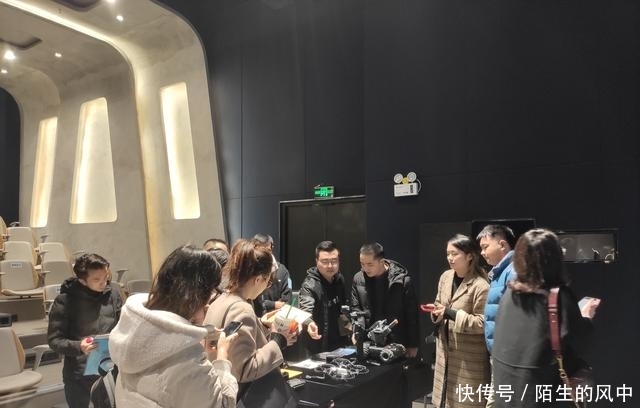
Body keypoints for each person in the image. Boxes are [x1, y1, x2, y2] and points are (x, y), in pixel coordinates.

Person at [108, 245, 239, 407]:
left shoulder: (134, 330)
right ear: (197, 298)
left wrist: (203, 333)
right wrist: (222, 357)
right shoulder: (188, 362)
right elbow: (223, 404)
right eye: (210, 296)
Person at [492, 229, 599, 408]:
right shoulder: (558, 297)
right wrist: (586, 316)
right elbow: (582, 343)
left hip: (506, 396)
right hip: (539, 397)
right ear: (555, 259)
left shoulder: (510, 293)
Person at [203, 239, 297, 408]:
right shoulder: (242, 308)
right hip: (241, 396)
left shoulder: (221, 300)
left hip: (214, 389)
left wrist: (262, 325)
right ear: (258, 279)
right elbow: (246, 369)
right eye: (267, 281)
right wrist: (278, 341)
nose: (267, 286)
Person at [47, 253, 123, 408]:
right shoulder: (65, 301)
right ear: (82, 280)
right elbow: (54, 340)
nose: (103, 282)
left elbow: (122, 326)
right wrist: (79, 346)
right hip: (79, 373)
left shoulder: (113, 294)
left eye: (106, 277)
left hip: (109, 367)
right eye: (97, 279)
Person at [428, 234, 490, 408]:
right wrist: (436, 313)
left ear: (469, 256)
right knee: (443, 401)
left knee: (465, 402)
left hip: (468, 358)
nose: (450, 258)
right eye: (448, 253)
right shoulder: (446, 277)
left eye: (454, 254)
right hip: (444, 352)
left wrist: (450, 313)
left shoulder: (480, 285)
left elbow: (482, 323)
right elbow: (439, 303)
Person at [351, 242, 419, 357]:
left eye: (370, 264)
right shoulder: (358, 279)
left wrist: (413, 345)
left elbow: (411, 315)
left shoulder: (402, 281)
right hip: (368, 342)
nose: (365, 268)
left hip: (396, 342)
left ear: (381, 261)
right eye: (362, 264)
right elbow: (356, 309)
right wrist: (357, 331)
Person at [476, 224, 516, 408]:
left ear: (502, 244)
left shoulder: (513, 272)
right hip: (501, 355)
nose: (482, 253)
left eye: (485, 247)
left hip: (509, 358)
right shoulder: (499, 272)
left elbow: (517, 318)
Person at [298, 240, 349, 354]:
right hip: (317, 344)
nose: (330, 266)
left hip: (338, 342)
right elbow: (305, 311)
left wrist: (348, 332)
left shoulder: (339, 279)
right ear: (317, 261)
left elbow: (343, 309)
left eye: (334, 261)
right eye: (325, 261)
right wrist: (309, 323)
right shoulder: (310, 285)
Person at [251, 233, 292, 317]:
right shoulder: (249, 269)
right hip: (254, 316)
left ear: (271, 248)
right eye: (260, 252)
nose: (263, 255)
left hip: (277, 317)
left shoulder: (281, 270)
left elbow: (287, 299)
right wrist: (272, 304)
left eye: (267, 251)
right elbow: (249, 297)